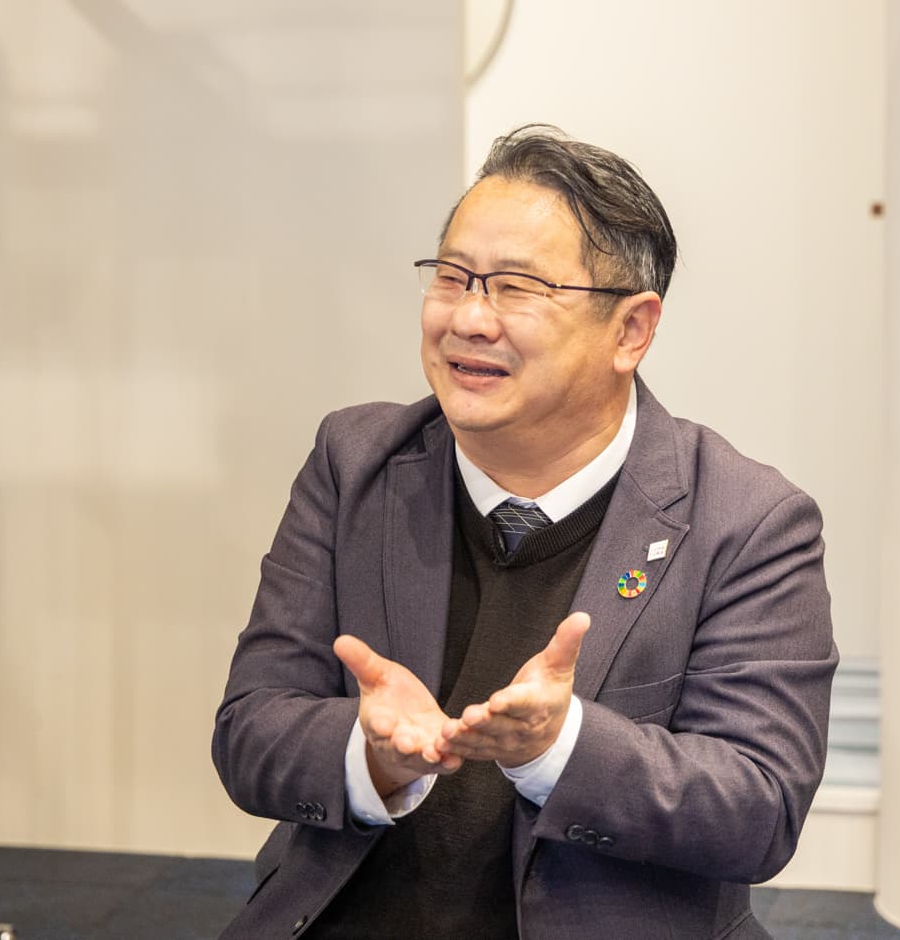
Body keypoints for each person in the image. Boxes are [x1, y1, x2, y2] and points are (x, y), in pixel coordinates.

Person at [212, 125, 837, 938]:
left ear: (631, 330)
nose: (470, 317)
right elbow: (250, 729)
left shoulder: (746, 521)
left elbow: (759, 807)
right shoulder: (356, 461)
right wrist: (372, 755)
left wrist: (559, 744)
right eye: (452, 277)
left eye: (516, 287)